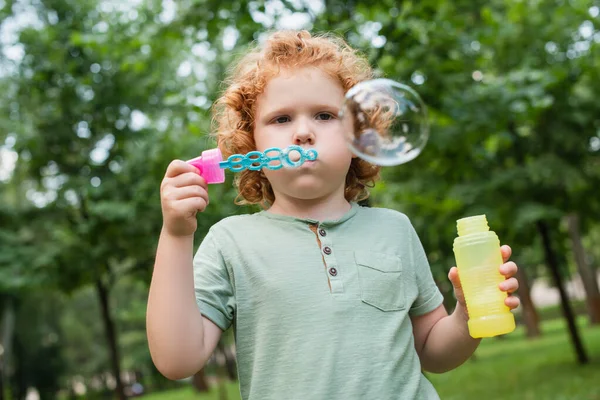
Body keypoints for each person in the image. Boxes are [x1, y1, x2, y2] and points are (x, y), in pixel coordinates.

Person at [146, 30, 520, 400]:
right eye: (281, 119)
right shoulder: (232, 243)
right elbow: (177, 359)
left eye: (324, 115)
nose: (304, 133)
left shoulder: (394, 229)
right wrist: (177, 235)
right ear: (251, 143)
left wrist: (468, 316)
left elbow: (432, 350)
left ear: (358, 137)